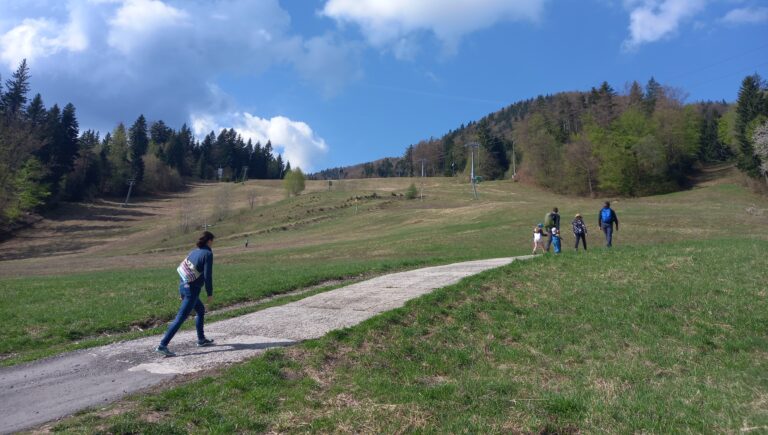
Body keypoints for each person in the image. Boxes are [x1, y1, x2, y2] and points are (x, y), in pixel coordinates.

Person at [155, 231, 216, 357]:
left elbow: (184, 271)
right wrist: (210, 293)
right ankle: (162, 345)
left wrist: (181, 291)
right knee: (181, 317)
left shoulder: (193, 252)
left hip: (184, 286)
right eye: (213, 241)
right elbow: (207, 275)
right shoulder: (208, 254)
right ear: (209, 241)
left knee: (200, 310)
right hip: (192, 290)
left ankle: (201, 339)